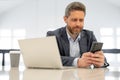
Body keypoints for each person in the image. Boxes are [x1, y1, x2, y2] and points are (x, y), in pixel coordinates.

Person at [47, 1, 109, 68]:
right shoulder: (53, 35)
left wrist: (102, 62)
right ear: (65, 19)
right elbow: (50, 59)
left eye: (81, 20)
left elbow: (101, 58)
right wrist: (77, 62)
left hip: (85, 76)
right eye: (74, 20)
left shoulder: (89, 35)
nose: (78, 24)